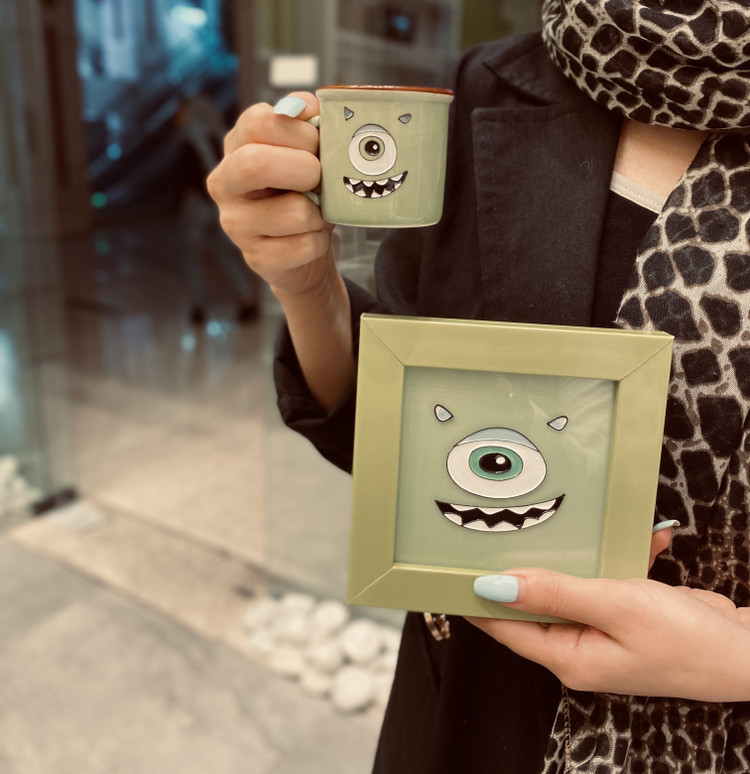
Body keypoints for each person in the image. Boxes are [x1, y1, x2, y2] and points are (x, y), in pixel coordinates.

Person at [207, 1, 750, 771]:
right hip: (474, 707)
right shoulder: (489, 89)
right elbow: (402, 446)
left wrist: (739, 659)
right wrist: (306, 284)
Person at [173, 94, 259, 325]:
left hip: (198, 207)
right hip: (216, 205)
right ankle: (246, 297)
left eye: (181, 111)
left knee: (192, 256)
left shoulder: (190, 140)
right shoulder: (216, 137)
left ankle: (197, 305)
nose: (176, 116)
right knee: (224, 251)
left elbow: (189, 177)